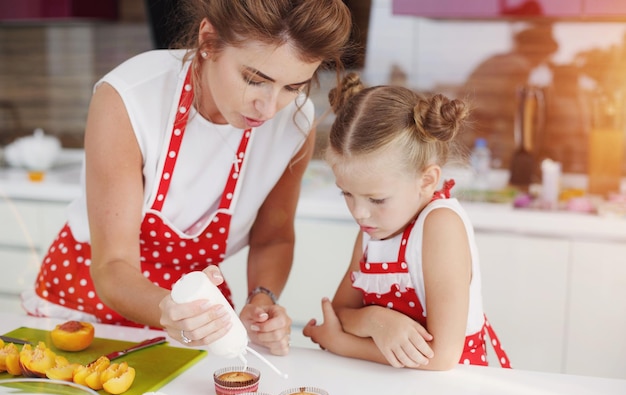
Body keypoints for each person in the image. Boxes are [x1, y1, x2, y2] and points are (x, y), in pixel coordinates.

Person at [22, 0, 352, 356]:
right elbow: (112, 265)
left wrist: (261, 299)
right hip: (84, 306)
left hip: (195, 318)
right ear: (208, 41)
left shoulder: (295, 125)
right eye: (255, 80)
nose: (270, 108)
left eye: (293, 87)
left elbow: (273, 237)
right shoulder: (130, 97)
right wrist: (169, 310)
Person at [302, 73, 511, 370]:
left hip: (451, 391)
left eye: (376, 199)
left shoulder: (439, 225)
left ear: (427, 181)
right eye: (346, 193)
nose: (359, 213)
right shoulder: (374, 230)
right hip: (393, 384)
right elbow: (338, 313)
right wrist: (377, 321)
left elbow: (441, 356)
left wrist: (343, 343)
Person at [460, 22, 558, 169]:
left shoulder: (496, 60)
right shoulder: (518, 66)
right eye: (545, 55)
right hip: (480, 137)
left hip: (466, 130)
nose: (542, 62)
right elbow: (514, 111)